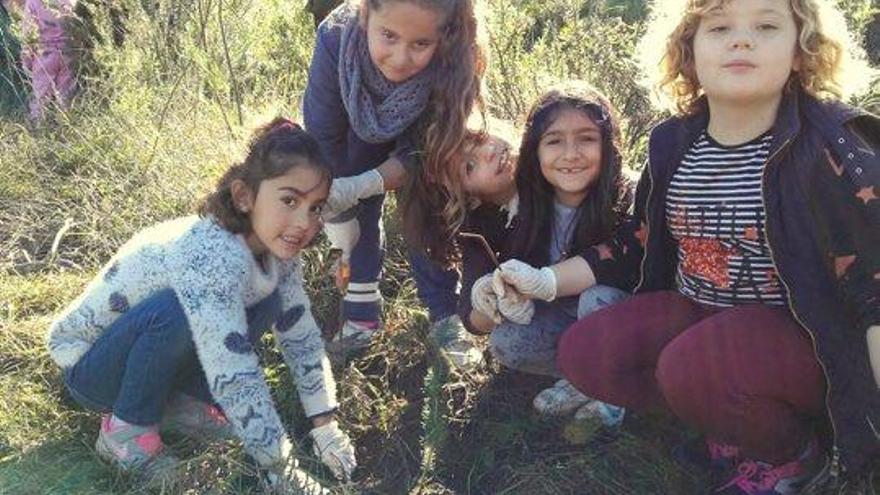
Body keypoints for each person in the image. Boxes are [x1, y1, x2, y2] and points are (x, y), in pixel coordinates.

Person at [554, 0, 880, 493]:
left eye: (766, 26)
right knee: (585, 352)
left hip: (803, 344)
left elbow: (871, 287)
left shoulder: (829, 147)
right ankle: (728, 421)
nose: (741, 39)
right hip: (701, 323)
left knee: (694, 365)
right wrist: (540, 279)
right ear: (689, 51)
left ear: (801, 50)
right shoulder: (673, 142)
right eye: (720, 26)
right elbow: (639, 243)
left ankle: (794, 454)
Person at [46, 119, 356, 493]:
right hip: (92, 369)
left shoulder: (277, 251)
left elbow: (300, 336)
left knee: (268, 298)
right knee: (177, 309)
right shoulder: (209, 255)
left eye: (315, 207)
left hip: (145, 356)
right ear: (245, 196)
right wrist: (284, 471)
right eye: (289, 200)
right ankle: (125, 433)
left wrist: (325, 424)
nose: (303, 222)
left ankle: (182, 403)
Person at [302, 0, 488, 369]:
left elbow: (428, 152)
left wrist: (374, 179)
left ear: (444, 38)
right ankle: (361, 312)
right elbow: (323, 137)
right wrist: (344, 191)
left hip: (422, 149)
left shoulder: (455, 60)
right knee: (352, 220)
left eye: (420, 44)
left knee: (430, 200)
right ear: (366, 15)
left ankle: (444, 313)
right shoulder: (335, 39)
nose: (400, 58)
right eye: (388, 36)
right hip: (347, 141)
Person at [456, 82, 635, 424]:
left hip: (622, 315)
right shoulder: (507, 209)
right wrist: (491, 298)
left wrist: (544, 281)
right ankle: (583, 377)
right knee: (507, 343)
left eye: (481, 140)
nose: (570, 154)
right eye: (469, 166)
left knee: (596, 299)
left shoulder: (616, 189)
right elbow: (471, 312)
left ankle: (617, 389)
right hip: (566, 317)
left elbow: (628, 257)